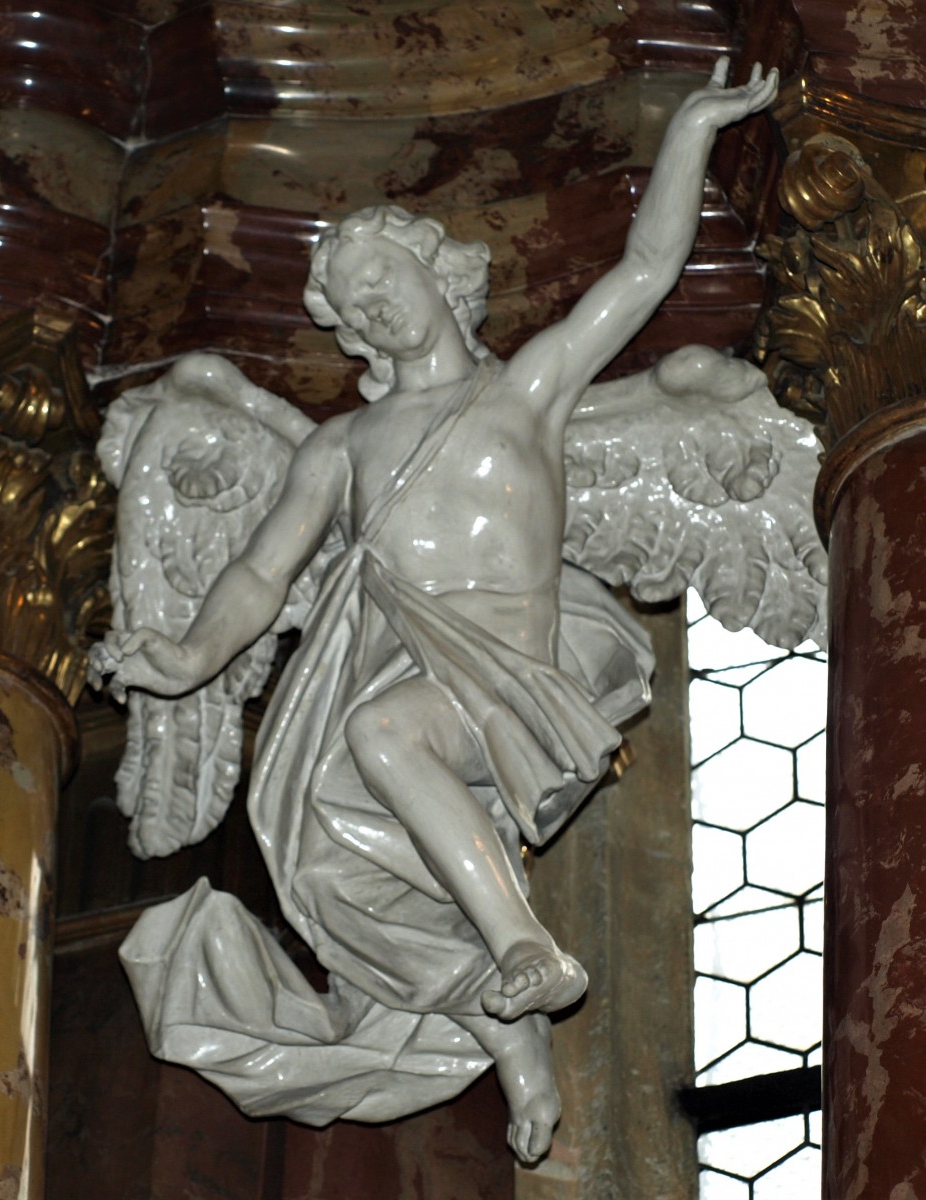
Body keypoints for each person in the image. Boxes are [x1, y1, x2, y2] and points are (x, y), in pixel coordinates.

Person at [92, 58, 778, 1161]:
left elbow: (645, 271)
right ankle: (513, 1024)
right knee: (329, 869)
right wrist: (186, 654)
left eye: (386, 279)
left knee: (377, 734)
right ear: (349, 333)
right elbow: (263, 574)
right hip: (406, 676)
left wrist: (692, 128)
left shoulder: (526, 392)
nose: (372, 304)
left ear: (441, 277)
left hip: (516, 673)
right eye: (353, 300)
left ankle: (519, 945)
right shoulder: (339, 445)